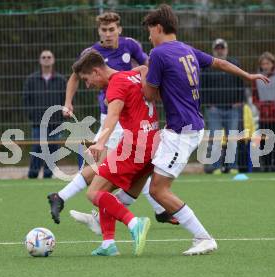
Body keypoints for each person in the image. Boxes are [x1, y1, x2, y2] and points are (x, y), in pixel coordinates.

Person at [142, 4, 269, 255]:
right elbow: (220, 63)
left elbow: (148, 94)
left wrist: (145, 74)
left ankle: (203, 237)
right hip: (188, 126)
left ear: (158, 28)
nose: (148, 37)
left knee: (157, 190)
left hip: (181, 131)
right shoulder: (186, 50)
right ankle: (109, 213)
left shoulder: (158, 54)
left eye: (149, 31)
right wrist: (248, 75)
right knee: (144, 172)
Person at [48, 11, 177, 231]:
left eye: (111, 29)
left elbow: (147, 66)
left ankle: (66, 199)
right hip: (110, 117)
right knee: (116, 165)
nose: (108, 34)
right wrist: (68, 102)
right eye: (103, 30)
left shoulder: (130, 45)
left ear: (119, 29)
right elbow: (75, 77)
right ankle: (155, 211)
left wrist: (147, 90)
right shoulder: (92, 53)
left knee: (116, 166)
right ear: (98, 32)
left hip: (128, 118)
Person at [58, 50, 154, 256]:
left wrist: (100, 143)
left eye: (86, 79)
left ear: (95, 72)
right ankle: (108, 244)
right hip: (151, 142)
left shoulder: (115, 85)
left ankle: (134, 223)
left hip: (134, 145)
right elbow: (144, 67)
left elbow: (113, 115)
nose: (87, 84)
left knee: (93, 193)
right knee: (105, 192)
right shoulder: (130, 75)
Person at [200, 38, 245, 174]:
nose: (220, 51)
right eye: (217, 48)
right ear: (214, 50)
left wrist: (240, 101)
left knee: (232, 138)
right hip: (214, 110)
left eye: (222, 48)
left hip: (232, 109)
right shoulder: (208, 66)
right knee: (216, 139)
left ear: (226, 49)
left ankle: (233, 167)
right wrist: (208, 105)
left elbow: (241, 84)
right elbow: (202, 88)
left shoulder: (235, 64)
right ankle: (217, 167)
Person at [23, 50, 66, 178]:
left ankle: (48, 175)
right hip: (38, 122)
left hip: (56, 123)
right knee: (37, 149)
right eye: (44, 57)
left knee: (53, 150)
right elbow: (26, 99)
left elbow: (67, 99)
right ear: (40, 60)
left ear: (53, 60)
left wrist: (60, 116)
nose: (46, 59)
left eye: (49, 57)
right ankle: (33, 174)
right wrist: (32, 115)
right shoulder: (31, 80)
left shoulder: (61, 80)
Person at [252, 52, 275, 172]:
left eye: (267, 63)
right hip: (263, 116)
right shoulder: (257, 78)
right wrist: (260, 106)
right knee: (264, 142)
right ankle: (266, 166)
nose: (265, 66)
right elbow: (254, 96)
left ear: (273, 64)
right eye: (263, 64)